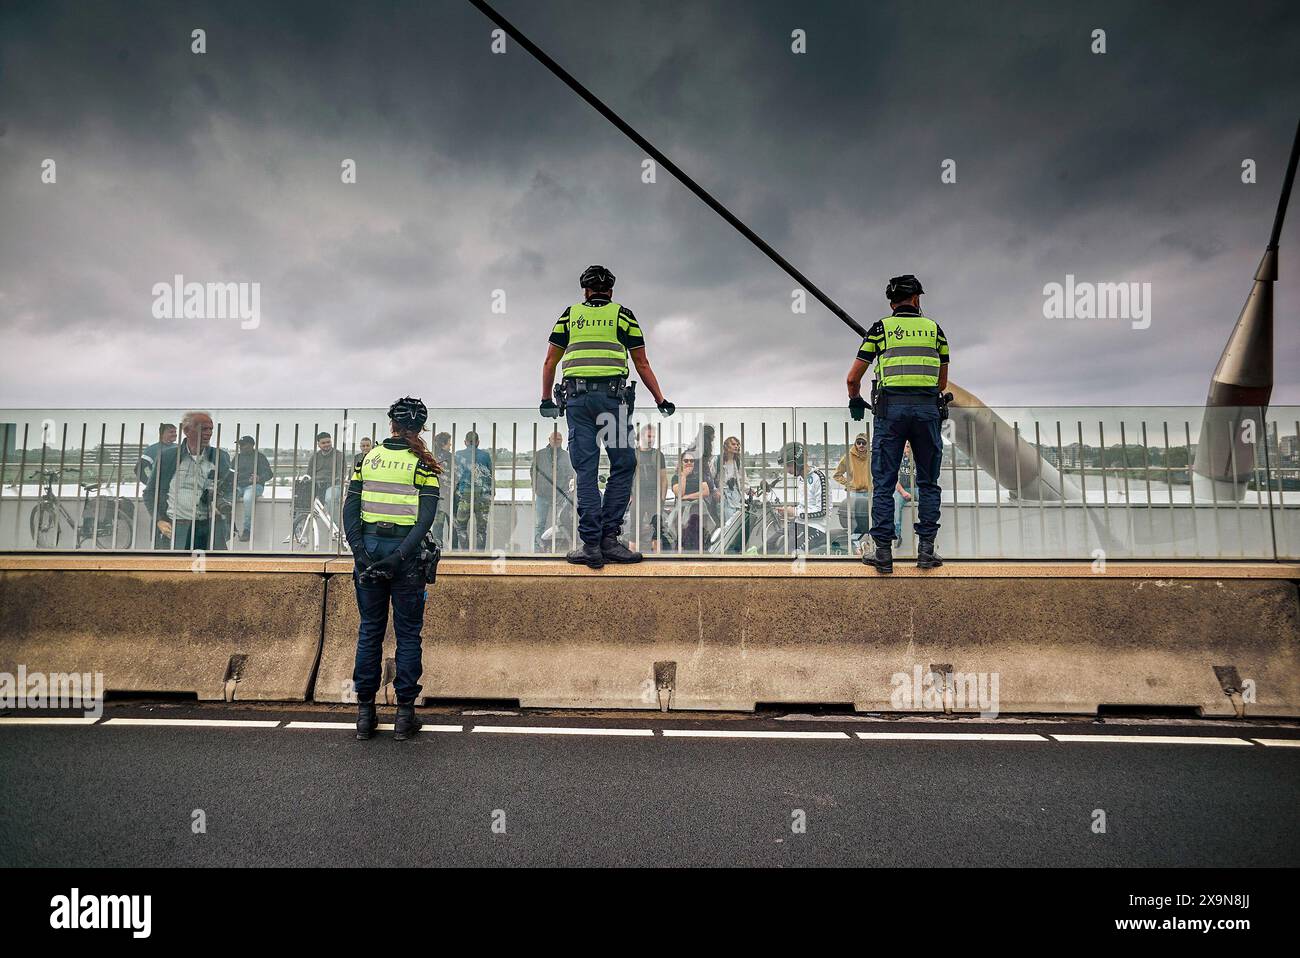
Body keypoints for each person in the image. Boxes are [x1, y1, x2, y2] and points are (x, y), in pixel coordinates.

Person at [539, 264, 674, 569]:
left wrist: (546, 399)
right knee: (623, 465)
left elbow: (550, 361)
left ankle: (590, 545)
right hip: (613, 402)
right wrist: (660, 399)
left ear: (585, 291)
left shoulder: (570, 316)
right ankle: (609, 540)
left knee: (585, 471)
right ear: (610, 292)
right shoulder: (623, 315)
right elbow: (642, 363)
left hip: (577, 401)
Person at [342, 397, 440, 742]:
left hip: (368, 550)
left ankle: (365, 715)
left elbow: (350, 511)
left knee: (370, 630)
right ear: (422, 427)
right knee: (409, 634)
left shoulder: (368, 459)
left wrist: (361, 554)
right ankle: (404, 716)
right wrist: (399, 556)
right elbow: (425, 519)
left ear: (391, 425)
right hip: (405, 557)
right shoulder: (423, 465)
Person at [847, 273, 949, 573]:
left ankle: (883, 554)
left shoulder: (881, 329)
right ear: (917, 299)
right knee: (928, 482)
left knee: (884, 483)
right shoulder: (935, 331)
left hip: (890, 414)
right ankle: (926, 552)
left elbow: (853, 377)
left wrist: (855, 398)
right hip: (927, 411)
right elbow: (941, 382)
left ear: (892, 302)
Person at [143, 411, 233, 551]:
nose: (208, 433)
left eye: (211, 429)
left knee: (214, 570)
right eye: (203, 428)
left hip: (209, 527)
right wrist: (159, 520)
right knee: (175, 570)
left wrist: (222, 503)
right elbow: (150, 493)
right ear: (186, 431)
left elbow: (229, 487)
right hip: (176, 527)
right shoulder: (168, 457)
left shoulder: (220, 457)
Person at [531, 429, 575, 552]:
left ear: (562, 441)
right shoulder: (540, 454)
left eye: (559, 439)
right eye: (554, 439)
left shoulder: (566, 456)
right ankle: (537, 550)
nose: (556, 441)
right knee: (540, 524)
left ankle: (565, 549)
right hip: (542, 495)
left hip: (561, 496)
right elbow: (533, 472)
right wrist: (536, 488)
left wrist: (568, 490)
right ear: (549, 440)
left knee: (563, 523)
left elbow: (571, 474)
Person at [626, 424, 667, 552]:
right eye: (649, 436)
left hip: (654, 498)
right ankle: (631, 557)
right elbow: (626, 477)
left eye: (654, 436)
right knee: (634, 530)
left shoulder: (658, 454)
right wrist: (629, 496)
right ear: (641, 436)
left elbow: (664, 478)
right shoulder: (633, 454)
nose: (652, 439)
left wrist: (662, 498)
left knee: (657, 530)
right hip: (637, 498)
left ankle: (657, 560)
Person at [453, 430, 494, 550]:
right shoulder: (485, 455)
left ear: (465, 442)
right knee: (481, 529)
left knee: (461, 527)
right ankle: (480, 554)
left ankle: (466, 551)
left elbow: (455, 476)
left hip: (464, 494)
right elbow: (490, 475)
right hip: (483, 495)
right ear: (478, 442)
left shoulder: (459, 454)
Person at [834, 432, 873, 553]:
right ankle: (857, 548)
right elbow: (837, 474)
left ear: (867, 444)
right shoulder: (848, 456)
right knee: (855, 523)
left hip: (869, 493)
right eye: (858, 442)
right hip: (854, 494)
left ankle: (868, 545)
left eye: (864, 443)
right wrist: (848, 484)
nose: (861, 445)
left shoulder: (873, 456)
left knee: (870, 521)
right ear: (855, 443)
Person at [231, 435, 273, 542]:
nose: (240, 447)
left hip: (254, 486)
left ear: (251, 445)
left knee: (248, 499)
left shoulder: (260, 457)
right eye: (240, 445)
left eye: (243, 445)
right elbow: (230, 472)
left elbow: (269, 473)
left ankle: (247, 530)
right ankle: (229, 527)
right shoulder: (237, 457)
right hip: (239, 486)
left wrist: (259, 478)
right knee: (228, 498)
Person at [668, 448, 711, 552]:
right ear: (681, 462)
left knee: (698, 536)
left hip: (697, 511)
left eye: (691, 461)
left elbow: (706, 492)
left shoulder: (699, 476)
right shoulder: (676, 477)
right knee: (681, 536)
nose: (689, 463)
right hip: (682, 512)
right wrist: (684, 476)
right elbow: (679, 493)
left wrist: (688, 497)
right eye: (686, 461)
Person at [307, 431, 346, 528]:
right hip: (317, 485)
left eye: (328, 442)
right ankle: (299, 528)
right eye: (323, 443)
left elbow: (341, 474)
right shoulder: (314, 457)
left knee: (330, 498)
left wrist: (329, 481)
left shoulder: (339, 455)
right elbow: (309, 474)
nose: (326, 445)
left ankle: (336, 528)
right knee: (300, 498)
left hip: (333, 485)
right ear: (318, 444)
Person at [134, 423, 177, 488]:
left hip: (178, 489)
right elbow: (138, 469)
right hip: (162, 488)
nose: (175, 434)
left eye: (175, 432)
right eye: (171, 432)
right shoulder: (152, 449)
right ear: (162, 434)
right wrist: (150, 484)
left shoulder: (179, 447)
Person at [431, 432, 452, 547]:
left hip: (436, 496)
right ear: (444, 444)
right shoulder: (450, 457)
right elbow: (456, 476)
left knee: (437, 525)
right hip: (449, 496)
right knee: (452, 525)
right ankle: (453, 550)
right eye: (449, 443)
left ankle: (437, 548)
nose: (451, 445)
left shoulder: (431, 457)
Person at [893, 441, 915, 545]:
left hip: (917, 488)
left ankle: (925, 536)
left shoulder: (918, 459)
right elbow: (893, 478)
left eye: (910, 446)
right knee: (896, 504)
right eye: (906, 446)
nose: (908, 448)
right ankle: (897, 535)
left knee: (927, 501)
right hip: (902, 488)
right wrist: (903, 492)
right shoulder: (897, 459)